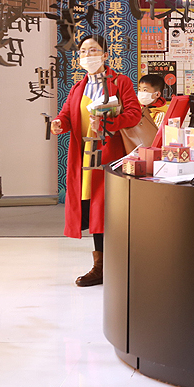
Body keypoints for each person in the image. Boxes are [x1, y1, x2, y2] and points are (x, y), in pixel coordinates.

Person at [51, 36, 141, 286]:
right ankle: (101, 266)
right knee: (94, 210)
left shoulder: (120, 82)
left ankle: (116, 264)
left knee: (110, 210)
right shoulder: (77, 88)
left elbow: (134, 114)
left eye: (93, 50)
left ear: (105, 55)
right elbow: (66, 115)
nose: (88, 55)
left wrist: (107, 122)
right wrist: (59, 123)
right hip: (85, 157)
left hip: (110, 157)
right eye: (83, 51)